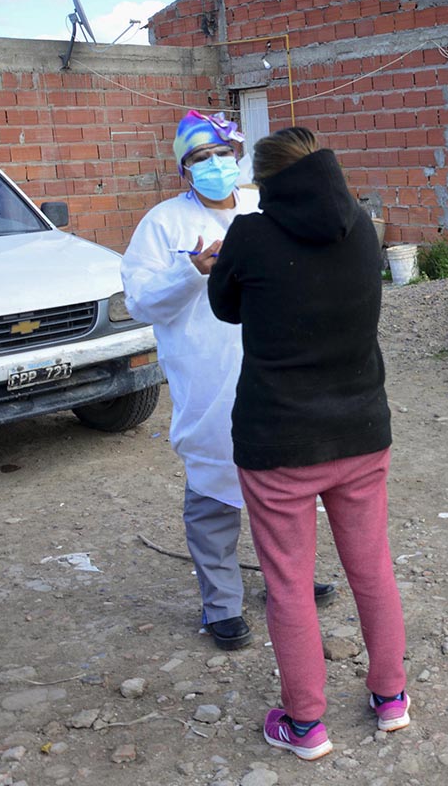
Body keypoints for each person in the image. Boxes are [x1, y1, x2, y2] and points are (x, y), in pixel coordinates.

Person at [207, 127, 409, 761]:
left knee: (289, 584)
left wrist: (221, 266)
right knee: (372, 568)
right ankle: (391, 698)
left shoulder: (249, 235)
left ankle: (305, 725)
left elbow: (226, 308)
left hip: (278, 441)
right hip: (361, 431)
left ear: (266, 183)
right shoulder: (364, 228)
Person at [120, 111, 334, 653]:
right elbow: (140, 301)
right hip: (206, 375)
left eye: (221, 154)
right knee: (213, 488)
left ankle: (289, 583)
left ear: (237, 157)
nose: (214, 165)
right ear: (183, 170)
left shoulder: (266, 207)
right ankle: (221, 605)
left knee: (283, 487)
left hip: (272, 367)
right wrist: (191, 271)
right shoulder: (163, 223)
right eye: (200, 158)